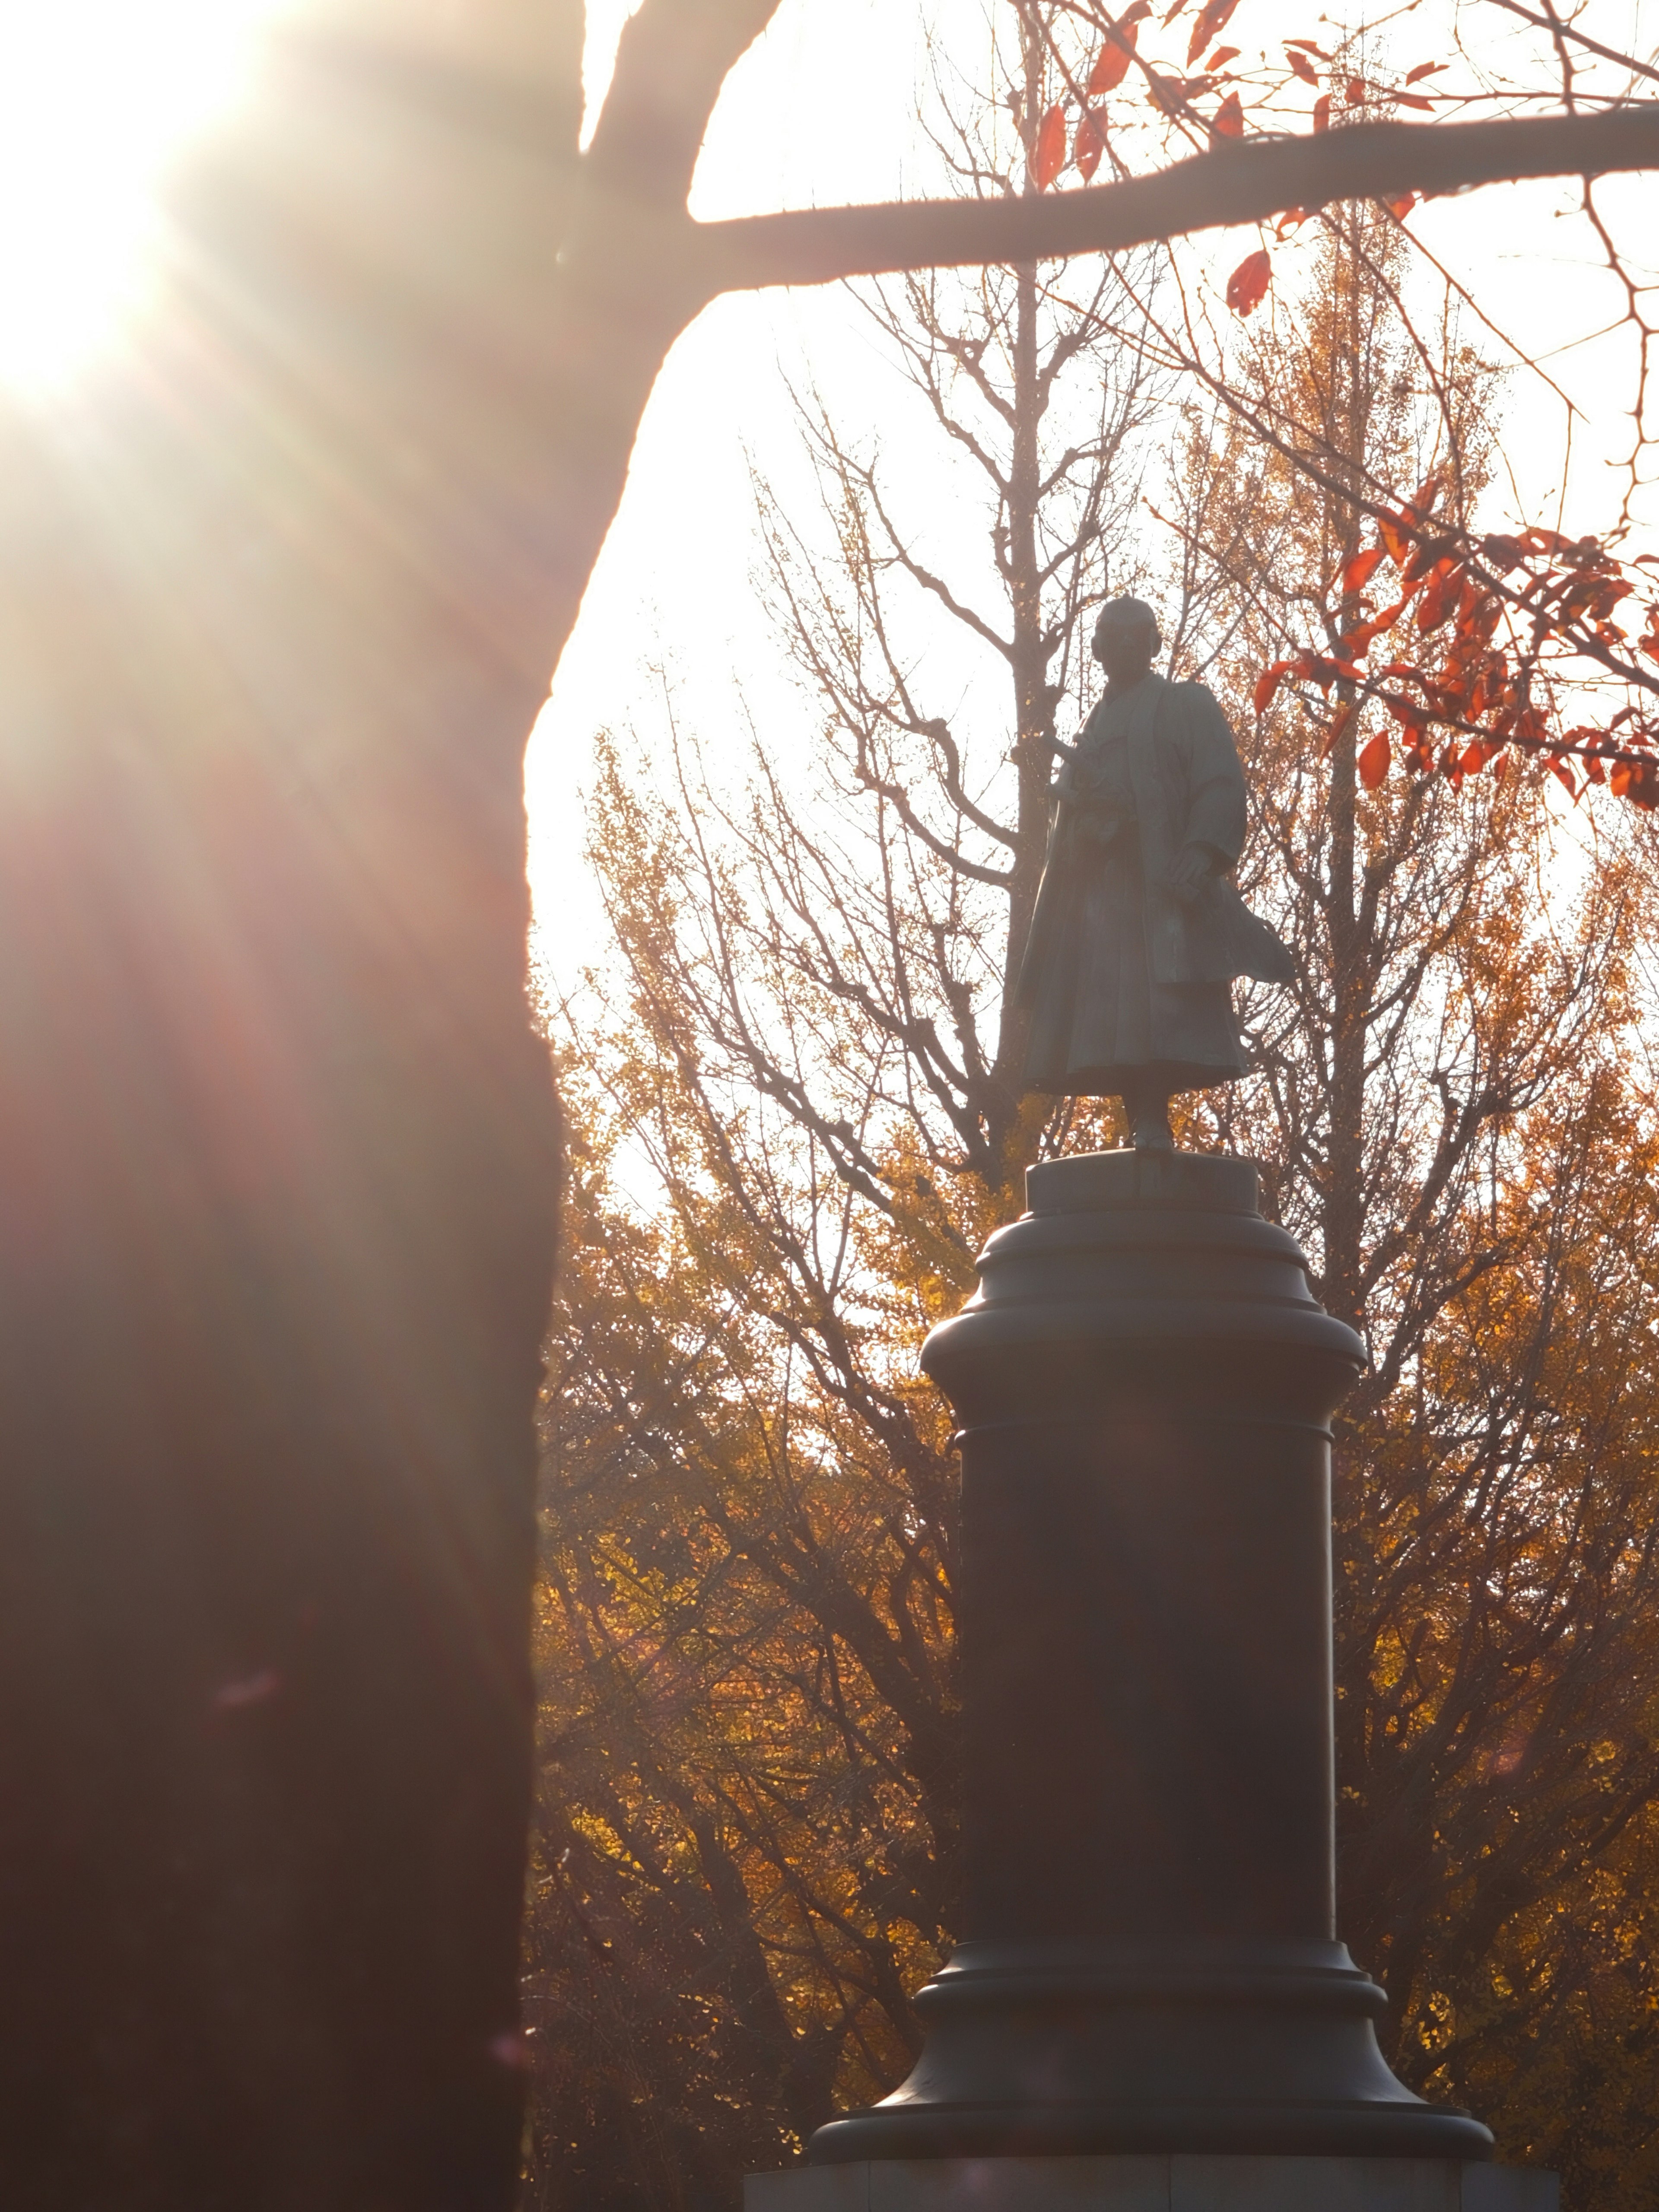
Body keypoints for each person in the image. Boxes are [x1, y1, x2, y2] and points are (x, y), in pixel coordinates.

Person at [1017, 595, 1293, 1149]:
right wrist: (1080, 817)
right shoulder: (1090, 731)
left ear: (1155, 644)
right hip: (1102, 894)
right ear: (1094, 649)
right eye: (1110, 637)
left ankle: (1153, 1115)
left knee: (1158, 1008)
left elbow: (1219, 780)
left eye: (1135, 636)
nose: (1123, 646)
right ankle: (1137, 1113)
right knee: (1109, 1013)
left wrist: (1202, 848)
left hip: (1159, 888)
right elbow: (1069, 815)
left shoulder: (1184, 704)